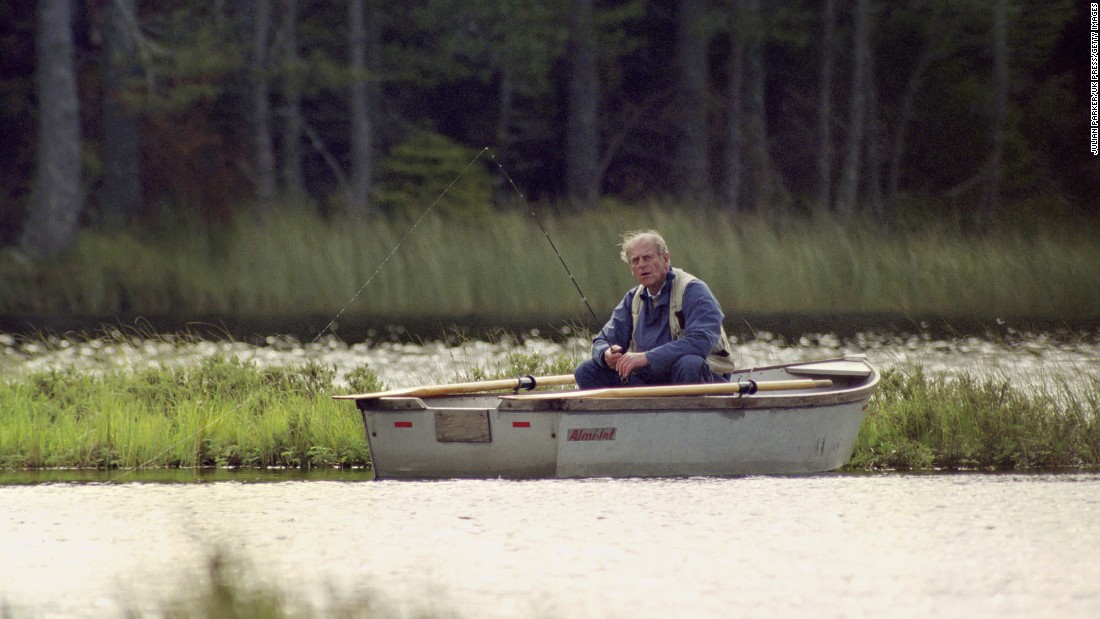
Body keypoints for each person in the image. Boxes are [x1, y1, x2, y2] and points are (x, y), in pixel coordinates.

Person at [574, 229, 736, 389]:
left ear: (665, 259)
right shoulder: (632, 299)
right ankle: (635, 413)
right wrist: (606, 354)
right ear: (631, 268)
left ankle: (686, 413)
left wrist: (647, 357)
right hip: (652, 379)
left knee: (689, 364)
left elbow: (701, 342)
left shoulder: (693, 290)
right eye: (635, 261)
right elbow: (602, 340)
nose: (642, 265)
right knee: (586, 371)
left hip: (703, 377)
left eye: (647, 258)